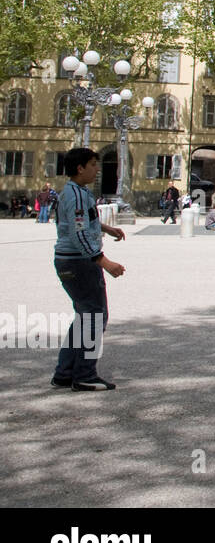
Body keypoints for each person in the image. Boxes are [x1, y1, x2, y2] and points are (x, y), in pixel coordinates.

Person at [52, 147, 125, 391]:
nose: (98, 169)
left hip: (69, 260)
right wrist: (104, 262)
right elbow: (79, 233)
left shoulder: (74, 192)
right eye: (93, 164)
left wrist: (106, 228)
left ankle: (65, 373)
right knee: (95, 315)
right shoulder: (78, 195)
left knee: (84, 315)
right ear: (80, 168)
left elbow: (81, 221)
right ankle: (84, 374)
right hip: (79, 262)